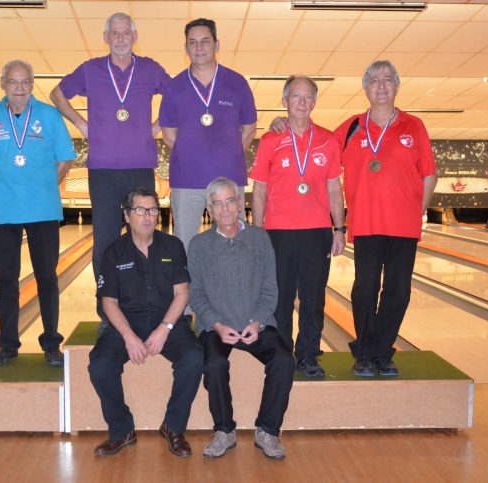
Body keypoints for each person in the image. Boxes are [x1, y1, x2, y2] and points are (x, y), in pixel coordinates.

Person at [50, 13, 170, 323]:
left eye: (125, 33)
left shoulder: (151, 69)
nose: (120, 38)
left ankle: (144, 305)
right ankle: (107, 313)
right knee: (104, 242)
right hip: (102, 170)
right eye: (114, 33)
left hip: (141, 167)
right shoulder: (90, 70)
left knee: (144, 237)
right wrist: (81, 123)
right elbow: (57, 94)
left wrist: (157, 125)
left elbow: (177, 96)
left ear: (134, 36)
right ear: (106, 37)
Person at [334, 60, 437, 376]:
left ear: (396, 87)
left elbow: (429, 174)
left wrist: (416, 212)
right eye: (375, 80)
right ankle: (365, 352)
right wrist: (286, 123)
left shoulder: (414, 126)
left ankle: (382, 352)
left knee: (398, 291)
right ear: (366, 88)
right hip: (366, 224)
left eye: (388, 79)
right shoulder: (350, 127)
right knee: (365, 288)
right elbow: (317, 151)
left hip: (404, 226)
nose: (381, 85)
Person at [0, 60, 76, 367]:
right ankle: (7, 345)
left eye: (25, 82)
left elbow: (65, 160)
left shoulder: (50, 115)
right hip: (2, 210)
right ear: (3, 83)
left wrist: (44, 186)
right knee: (5, 280)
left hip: (43, 209)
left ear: (32, 84)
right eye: (13, 82)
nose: (19, 87)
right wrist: (4, 186)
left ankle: (51, 344)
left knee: (47, 278)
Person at [88, 188, 203, 457]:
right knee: (100, 365)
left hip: (168, 320)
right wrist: (128, 336)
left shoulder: (173, 246)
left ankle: (173, 427)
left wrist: (165, 328)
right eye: (140, 210)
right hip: (126, 322)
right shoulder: (113, 252)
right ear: (127, 216)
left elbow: (182, 293)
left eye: (152, 210)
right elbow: (109, 302)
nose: (147, 216)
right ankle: (122, 431)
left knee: (194, 358)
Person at [187, 177, 294, 459]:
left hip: (256, 324)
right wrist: (218, 325)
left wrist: (256, 322)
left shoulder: (260, 238)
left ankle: (267, 431)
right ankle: (224, 430)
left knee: (284, 360)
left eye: (229, 201)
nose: (224, 209)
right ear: (209, 210)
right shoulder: (199, 245)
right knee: (214, 363)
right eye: (217, 204)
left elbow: (270, 289)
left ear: (239, 204)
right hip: (216, 327)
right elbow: (196, 295)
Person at [250, 76, 346, 378]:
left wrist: (339, 229)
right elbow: (259, 190)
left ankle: (308, 356)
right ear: (284, 101)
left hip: (317, 232)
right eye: (295, 96)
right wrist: (257, 232)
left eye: (307, 97)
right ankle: (281, 355)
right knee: (279, 298)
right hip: (278, 232)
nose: (301, 102)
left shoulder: (328, 140)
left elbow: (334, 188)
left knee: (313, 298)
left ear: (314, 102)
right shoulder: (270, 140)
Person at [159, 18, 257, 252]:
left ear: (217, 45)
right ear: (186, 49)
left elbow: (250, 128)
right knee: (185, 246)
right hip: (186, 181)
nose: (199, 47)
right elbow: (168, 134)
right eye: (192, 42)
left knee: (234, 245)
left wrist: (228, 156)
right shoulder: (174, 87)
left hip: (229, 180)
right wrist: (192, 157)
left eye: (205, 41)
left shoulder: (237, 83)